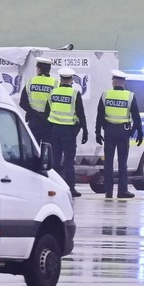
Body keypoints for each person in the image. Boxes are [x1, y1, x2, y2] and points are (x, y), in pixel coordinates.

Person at [95, 70, 144, 200]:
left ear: (114, 81)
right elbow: (136, 117)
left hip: (109, 131)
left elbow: (99, 116)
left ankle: (108, 191)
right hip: (123, 132)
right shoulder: (130, 96)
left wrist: (98, 133)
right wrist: (138, 132)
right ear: (123, 82)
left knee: (108, 162)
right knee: (123, 162)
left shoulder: (105, 95)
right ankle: (122, 190)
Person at [45, 67, 87, 198]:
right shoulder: (75, 94)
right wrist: (85, 131)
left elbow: (47, 112)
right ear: (72, 80)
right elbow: (81, 114)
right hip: (69, 131)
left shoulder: (53, 92)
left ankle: (54, 186)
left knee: (55, 160)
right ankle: (70, 188)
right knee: (69, 161)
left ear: (60, 79)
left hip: (54, 130)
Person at [20, 57, 55, 146]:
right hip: (49, 122)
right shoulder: (56, 84)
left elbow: (22, 103)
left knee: (33, 149)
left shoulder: (30, 82)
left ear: (38, 69)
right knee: (47, 150)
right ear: (49, 70)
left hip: (33, 121)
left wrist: (34, 113)